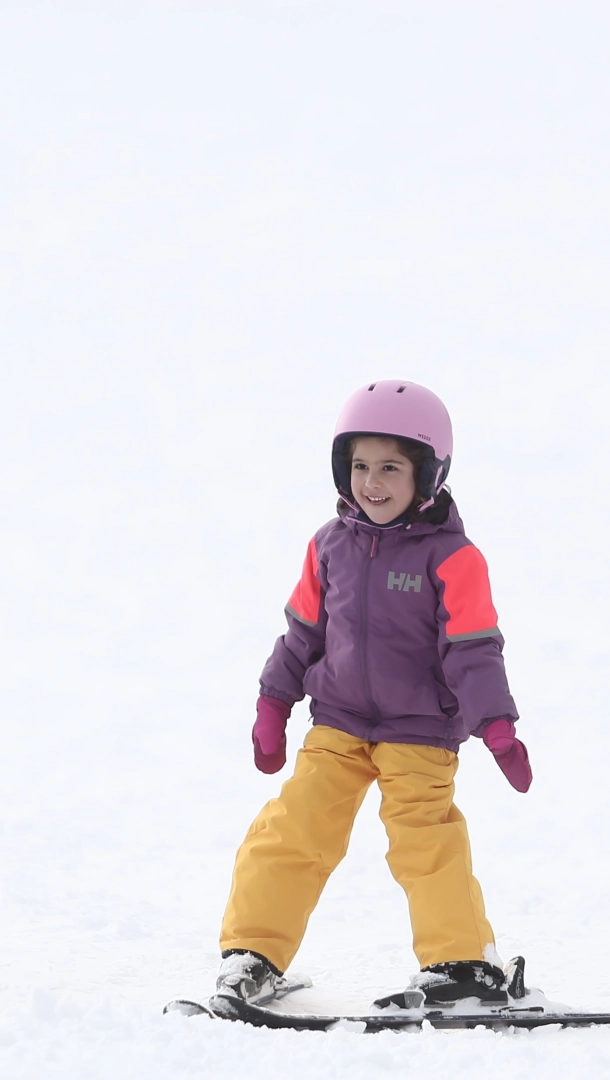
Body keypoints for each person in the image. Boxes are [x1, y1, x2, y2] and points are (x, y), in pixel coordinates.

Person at [214, 379, 535, 1006]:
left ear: (429, 473)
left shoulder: (454, 559)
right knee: (293, 828)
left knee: (426, 839)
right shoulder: (329, 546)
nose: (373, 482)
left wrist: (496, 726)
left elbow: (472, 649)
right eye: (360, 465)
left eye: (391, 467)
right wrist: (272, 703)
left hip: (419, 731)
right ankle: (252, 954)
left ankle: (463, 964)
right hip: (338, 722)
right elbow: (302, 634)